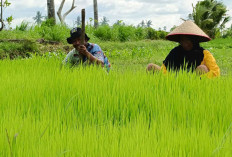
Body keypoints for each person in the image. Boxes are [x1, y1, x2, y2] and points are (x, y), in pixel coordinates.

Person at [146, 20, 220, 78]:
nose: (185, 43)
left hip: (195, 81)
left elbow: (215, 72)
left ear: (194, 40)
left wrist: (193, 79)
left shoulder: (204, 53)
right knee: (150, 67)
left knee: (202, 68)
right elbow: (165, 69)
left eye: (188, 40)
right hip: (174, 80)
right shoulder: (175, 52)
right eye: (182, 40)